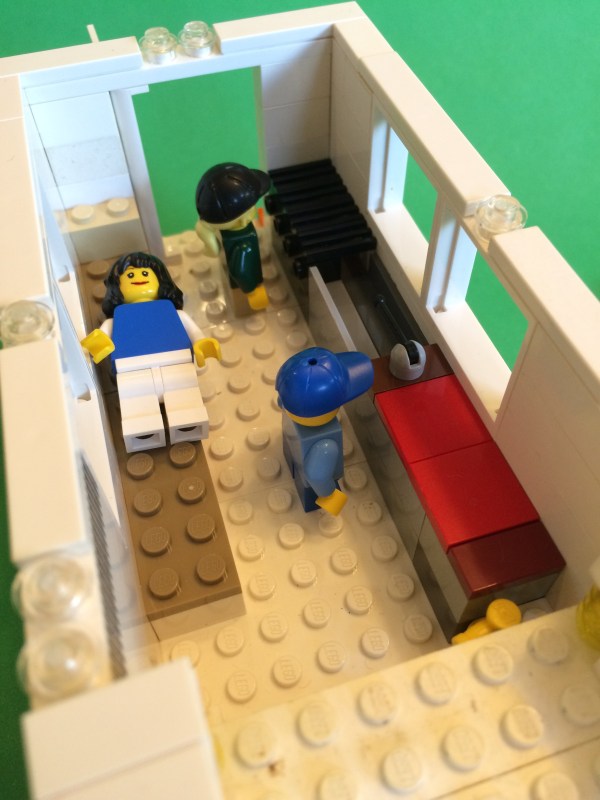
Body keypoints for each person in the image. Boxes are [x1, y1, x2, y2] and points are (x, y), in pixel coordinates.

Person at [81, 252, 221, 452]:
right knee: (138, 408)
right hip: (131, 370)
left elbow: (194, 331)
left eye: (145, 273)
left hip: (177, 364)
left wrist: (201, 343)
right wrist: (97, 343)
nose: (138, 278)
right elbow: (103, 336)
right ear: (117, 287)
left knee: (185, 400)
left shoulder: (173, 312)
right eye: (130, 275)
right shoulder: (116, 318)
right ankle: (143, 432)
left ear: (160, 280)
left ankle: (187, 425)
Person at [276, 347, 374, 515]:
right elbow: (317, 476)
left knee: (294, 460)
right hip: (313, 490)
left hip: (291, 448)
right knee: (314, 490)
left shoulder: (289, 402)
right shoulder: (326, 445)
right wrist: (331, 498)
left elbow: (281, 401)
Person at [195, 163, 271, 311]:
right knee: (244, 308)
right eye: (253, 206)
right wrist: (252, 291)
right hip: (243, 292)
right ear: (243, 219)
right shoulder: (244, 243)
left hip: (233, 283)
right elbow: (240, 272)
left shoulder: (222, 232)